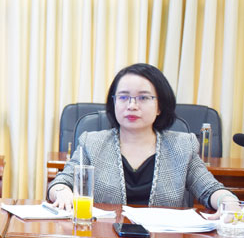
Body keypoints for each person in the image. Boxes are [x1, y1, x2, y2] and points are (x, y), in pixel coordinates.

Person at [48, 63, 238, 212]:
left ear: (160, 106)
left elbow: (209, 189)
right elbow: (61, 182)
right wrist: (62, 192)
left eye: (143, 97)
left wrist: (227, 202)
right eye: (123, 97)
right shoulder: (92, 143)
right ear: (113, 103)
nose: (131, 105)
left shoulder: (182, 146)